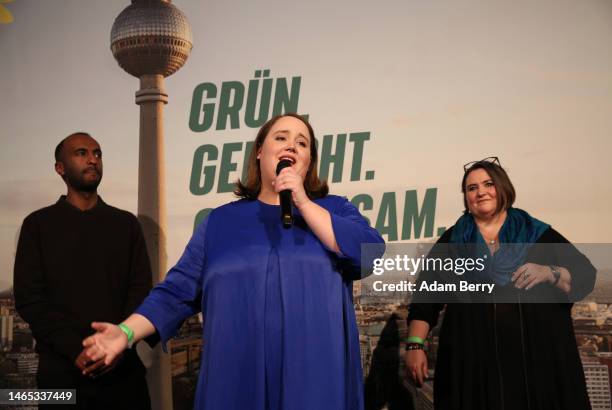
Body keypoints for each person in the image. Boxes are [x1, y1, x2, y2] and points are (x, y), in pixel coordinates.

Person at [82, 113, 385, 410]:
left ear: (308, 162)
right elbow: (176, 291)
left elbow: (368, 251)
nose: (291, 146)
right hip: (235, 380)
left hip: (316, 383)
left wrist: (303, 203)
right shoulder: (220, 222)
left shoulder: (334, 210)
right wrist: (125, 333)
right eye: (281, 138)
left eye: (302, 143)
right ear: (259, 153)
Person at [404, 157, 596, 410]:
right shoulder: (452, 240)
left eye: (488, 184)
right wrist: (414, 345)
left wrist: (551, 272)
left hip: (537, 361)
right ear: (466, 197)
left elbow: (585, 275)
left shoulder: (538, 233)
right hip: (472, 361)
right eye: (472, 188)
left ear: (502, 188)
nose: (481, 192)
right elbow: (425, 298)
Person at [13, 132, 153, 409]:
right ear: (60, 168)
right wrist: (76, 350)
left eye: (97, 153)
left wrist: (117, 344)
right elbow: (30, 299)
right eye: (81, 153)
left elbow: (141, 291)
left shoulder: (126, 225)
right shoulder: (37, 225)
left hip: (124, 376)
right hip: (61, 380)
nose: (92, 159)